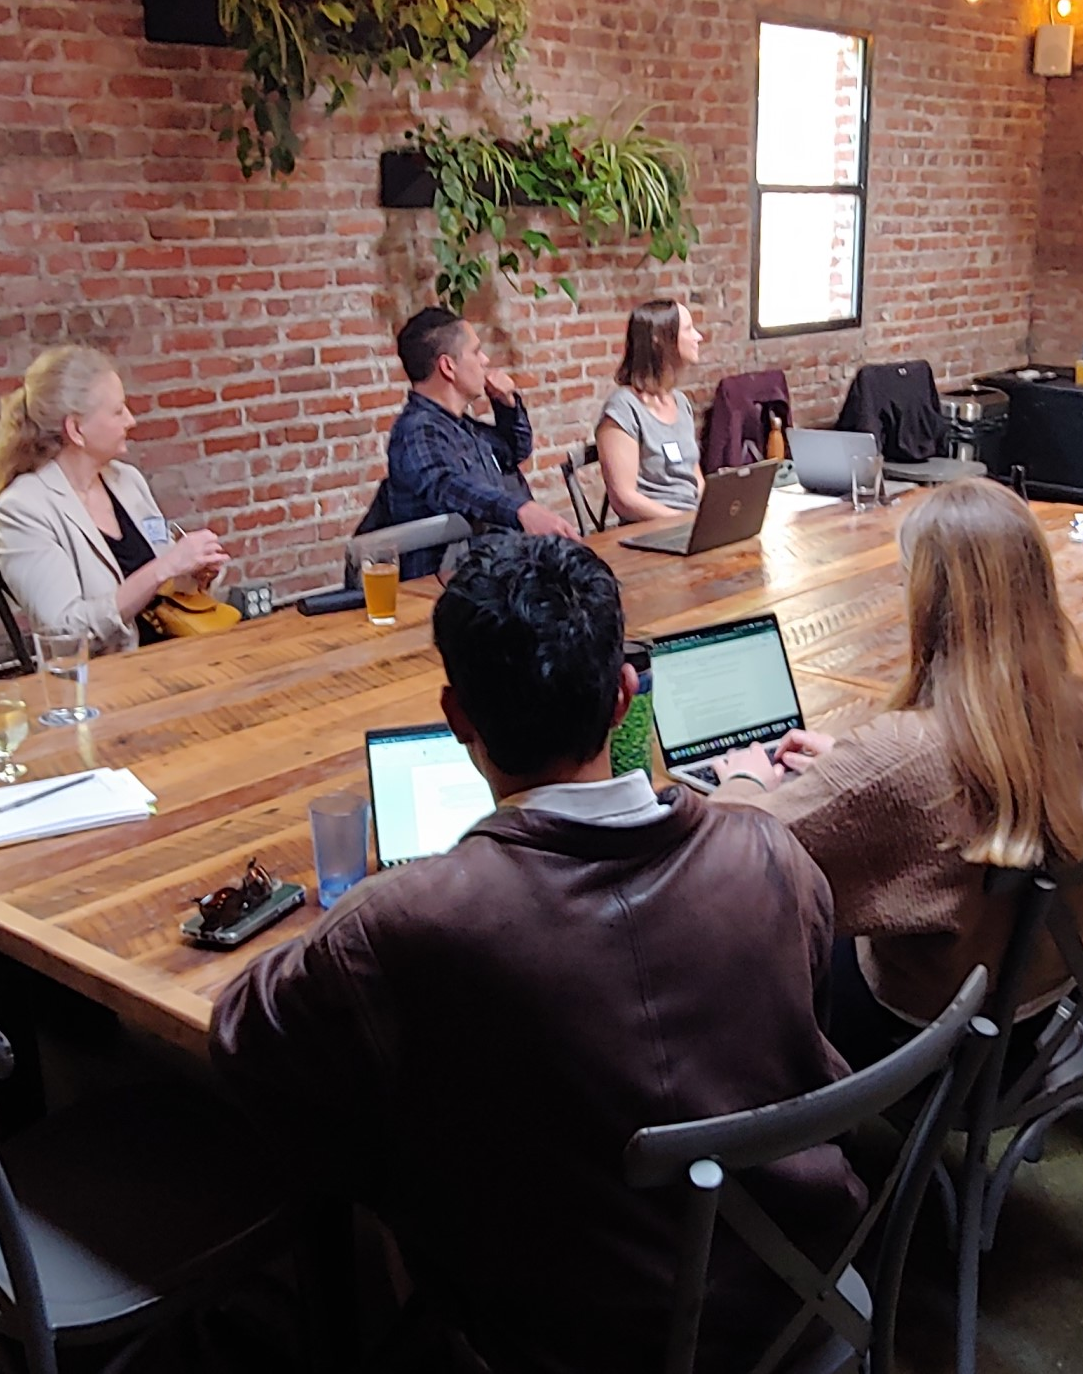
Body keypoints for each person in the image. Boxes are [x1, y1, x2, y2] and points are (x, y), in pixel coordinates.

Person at [212, 535, 861, 1374]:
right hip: (804, 1293)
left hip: (567, 1339)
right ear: (626, 696)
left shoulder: (405, 923)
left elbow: (243, 1043)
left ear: (457, 717)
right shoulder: (771, 853)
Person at [711, 480, 1083, 1067]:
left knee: (742, 950)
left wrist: (745, 781)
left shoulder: (903, 756)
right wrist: (846, 763)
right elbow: (950, 778)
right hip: (1036, 1012)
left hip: (915, 1038)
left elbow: (728, 846)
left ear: (925, 599)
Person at [0, 346, 229, 654]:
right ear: (77, 429)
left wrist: (195, 574)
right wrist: (163, 568)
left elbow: (166, 579)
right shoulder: (22, 510)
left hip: (177, 653)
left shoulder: (127, 481)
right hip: (109, 682)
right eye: (118, 410)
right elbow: (66, 632)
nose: (131, 420)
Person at [381, 306, 577, 577]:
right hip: (453, 586)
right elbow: (445, 484)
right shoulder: (417, 431)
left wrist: (506, 404)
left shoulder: (460, 425)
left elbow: (515, 450)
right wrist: (520, 510)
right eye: (475, 351)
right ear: (448, 366)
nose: (485, 360)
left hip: (496, 570)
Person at [596, 299, 705, 522]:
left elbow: (695, 478)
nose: (698, 337)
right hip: (651, 530)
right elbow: (624, 499)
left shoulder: (681, 402)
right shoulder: (624, 408)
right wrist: (682, 521)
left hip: (689, 523)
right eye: (688, 329)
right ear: (660, 340)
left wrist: (708, 517)